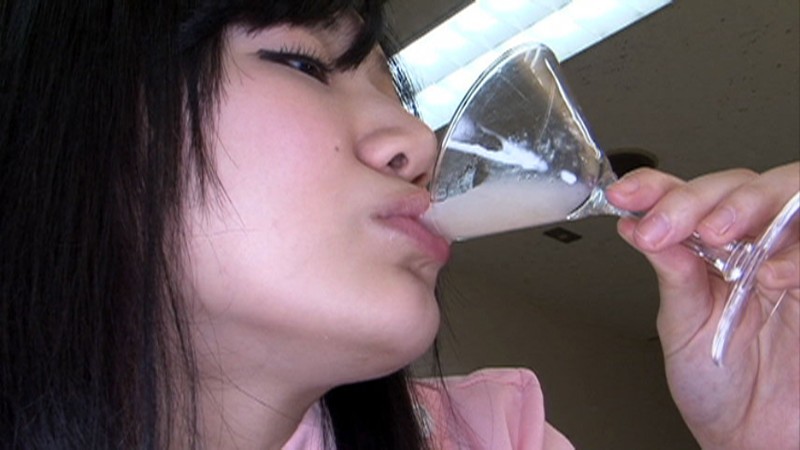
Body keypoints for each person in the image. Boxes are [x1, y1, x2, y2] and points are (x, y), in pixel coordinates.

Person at [1, 0, 797, 449]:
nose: (421, 143)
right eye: (304, 63)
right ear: (75, 127)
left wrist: (767, 432)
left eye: (401, 97)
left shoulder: (494, 437)